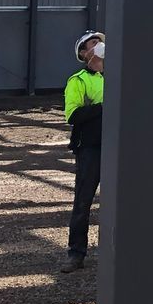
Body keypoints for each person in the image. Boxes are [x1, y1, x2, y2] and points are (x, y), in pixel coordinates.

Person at [60, 31, 105, 273]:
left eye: (100, 42)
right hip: (90, 148)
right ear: (83, 53)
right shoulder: (77, 81)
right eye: (94, 43)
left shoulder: (114, 76)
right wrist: (104, 107)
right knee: (83, 201)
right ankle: (76, 253)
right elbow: (73, 115)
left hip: (115, 145)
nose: (100, 46)